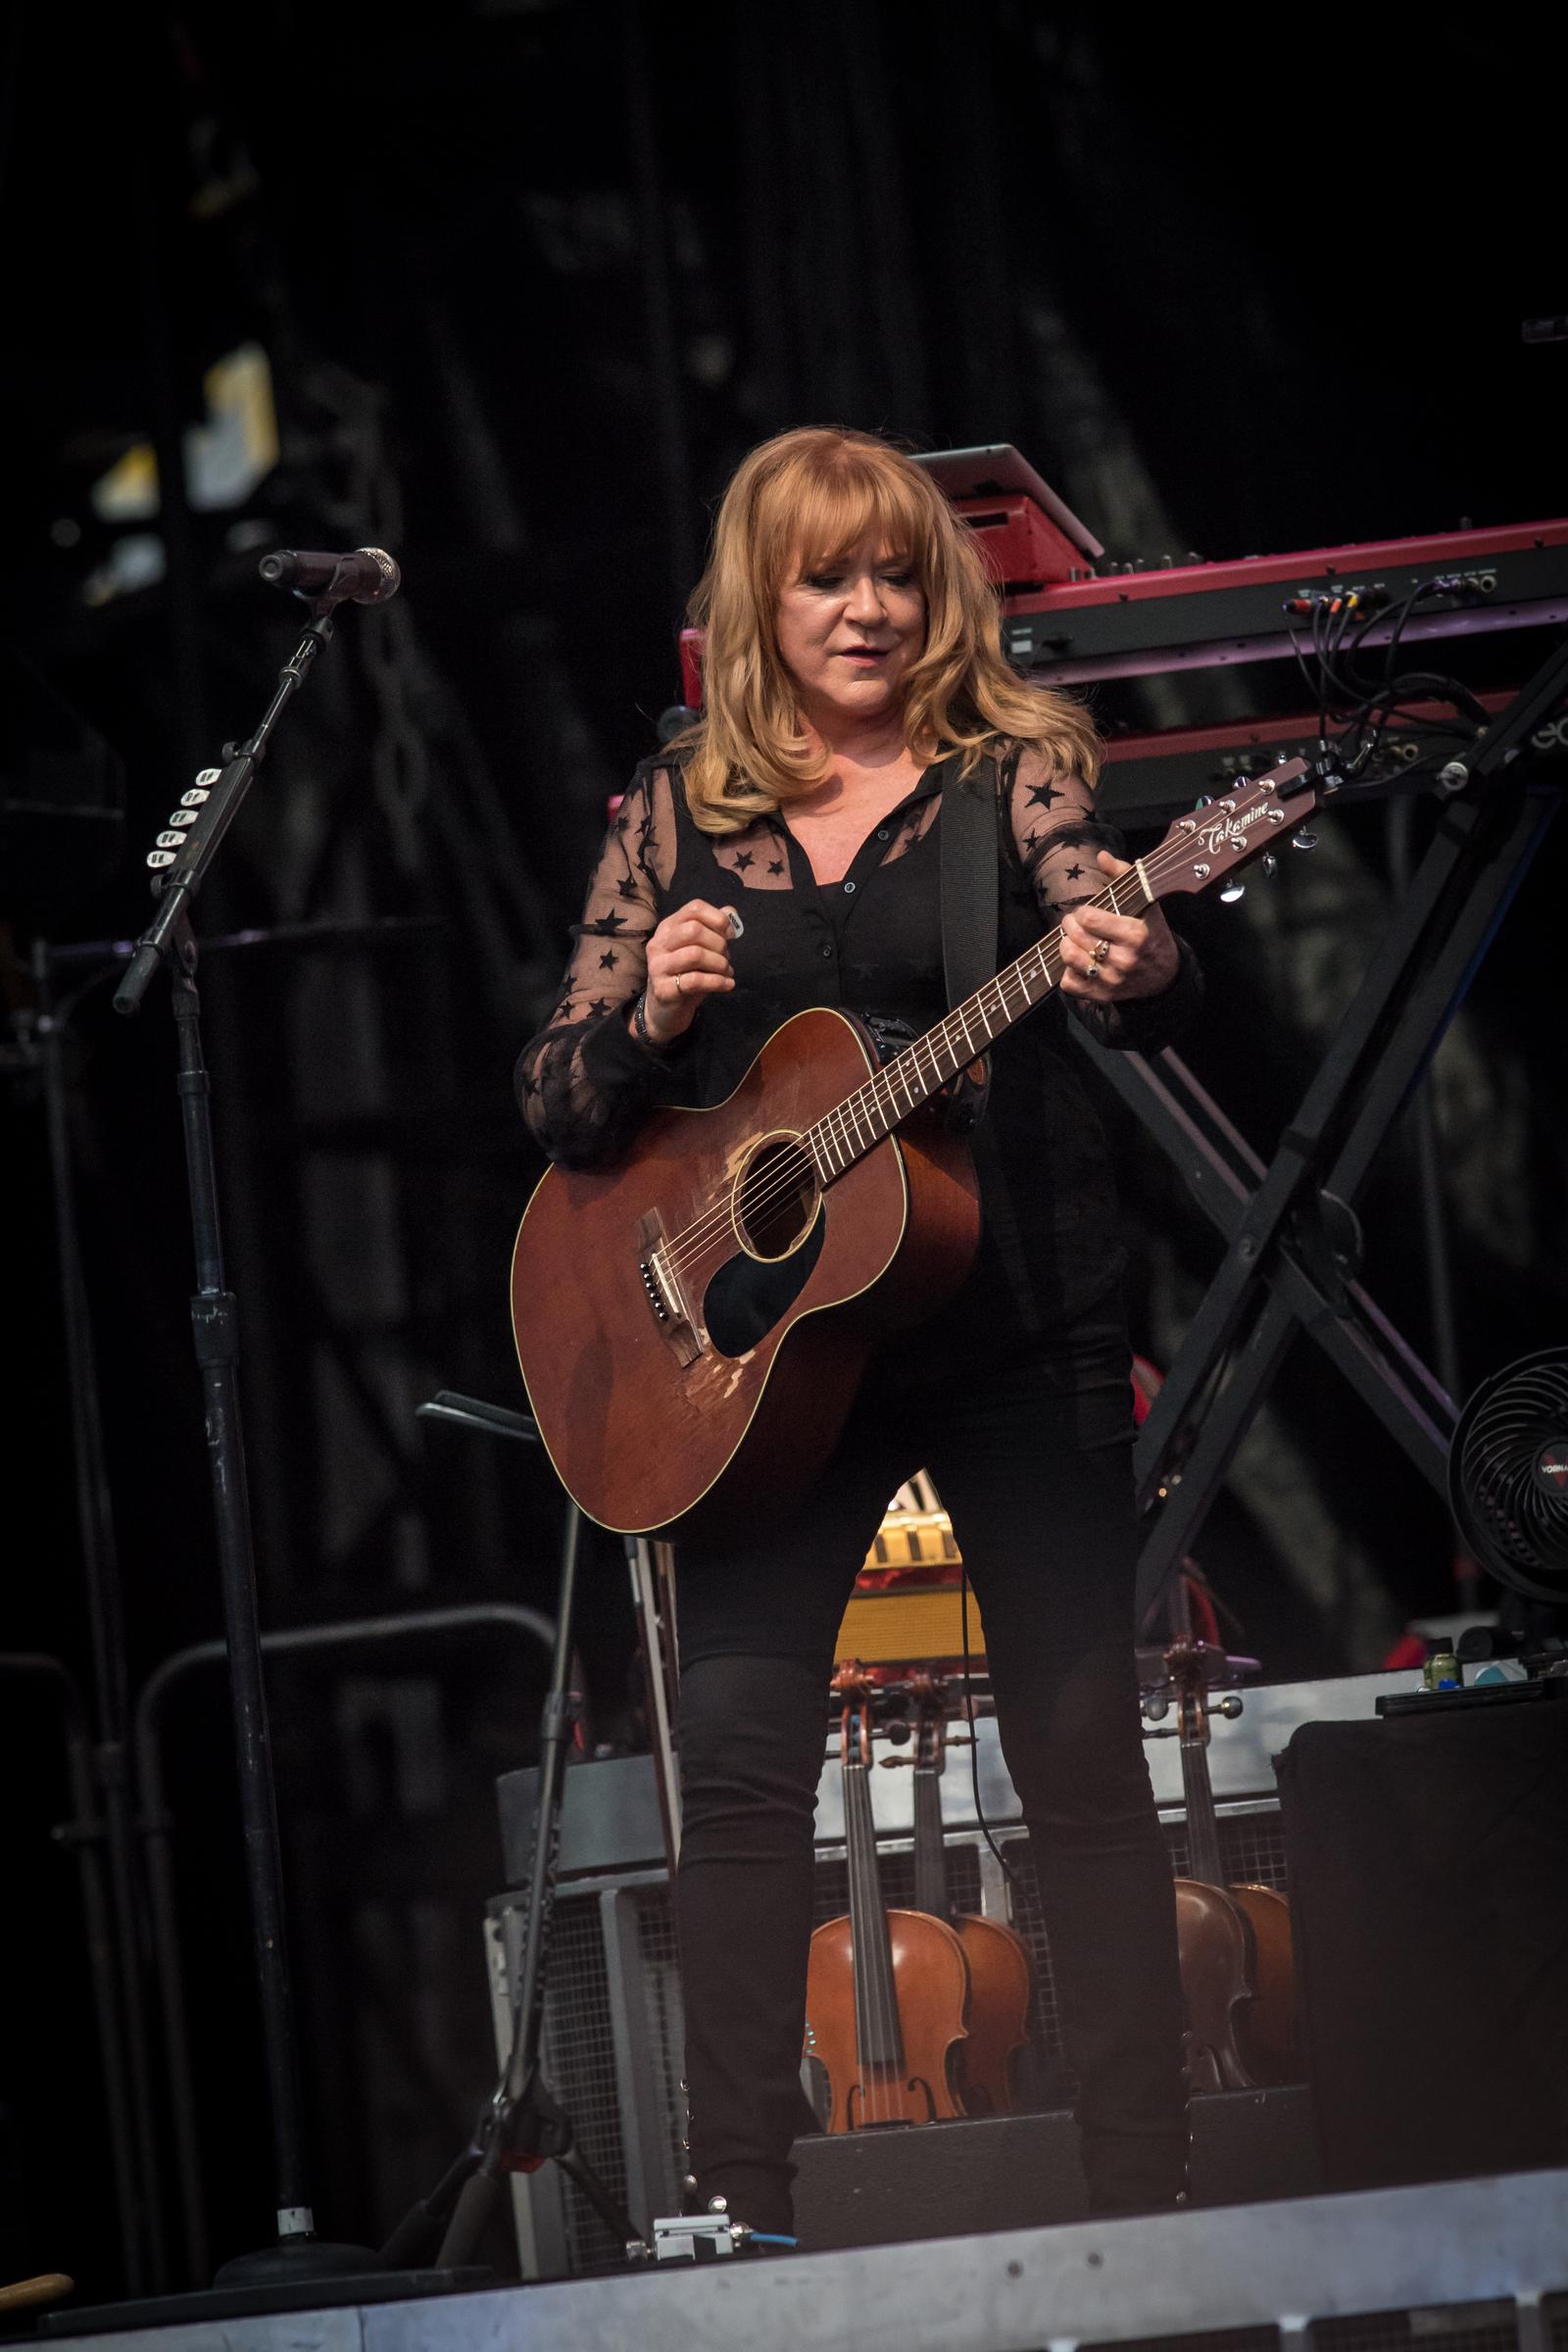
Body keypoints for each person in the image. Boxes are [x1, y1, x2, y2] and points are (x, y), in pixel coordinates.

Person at [516, 425, 1199, 2240]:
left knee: (1078, 1754)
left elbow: (1107, 951)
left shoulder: (1015, 773)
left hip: (1019, 1327)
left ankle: (1145, 2187)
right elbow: (562, 1106)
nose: (876, 608)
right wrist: (648, 1019)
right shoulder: (675, 810)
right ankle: (738, 2203)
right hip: (757, 1370)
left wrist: (1141, 955)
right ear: (764, 597)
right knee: (736, 1775)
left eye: (902, 575)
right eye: (833, 577)